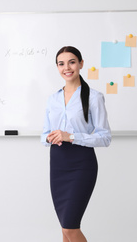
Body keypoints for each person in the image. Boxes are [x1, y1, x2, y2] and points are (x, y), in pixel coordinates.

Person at [41, 46, 111, 242]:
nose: (67, 67)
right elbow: (44, 134)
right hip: (58, 164)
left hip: (81, 164)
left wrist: (71, 136)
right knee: (65, 227)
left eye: (72, 62)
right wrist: (50, 137)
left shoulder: (94, 97)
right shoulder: (52, 99)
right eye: (61, 64)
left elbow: (105, 137)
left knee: (71, 227)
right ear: (57, 67)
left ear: (81, 63)